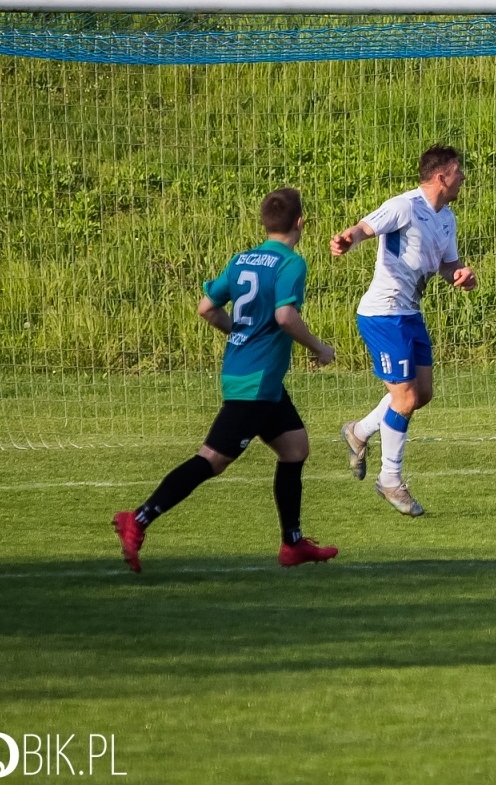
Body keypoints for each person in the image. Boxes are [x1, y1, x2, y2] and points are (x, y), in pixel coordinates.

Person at [112, 187, 338, 573]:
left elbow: (206, 307)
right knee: (211, 461)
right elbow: (285, 317)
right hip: (256, 382)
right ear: (301, 222)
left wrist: (240, 331)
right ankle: (138, 518)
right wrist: (319, 348)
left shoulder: (242, 259)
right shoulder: (291, 264)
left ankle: (293, 544)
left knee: (295, 448)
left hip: (252, 376)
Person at [331, 145, 477, 516]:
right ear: (442, 176)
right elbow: (366, 227)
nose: (463, 178)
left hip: (409, 314)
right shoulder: (405, 205)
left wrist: (459, 275)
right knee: (406, 399)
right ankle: (391, 480)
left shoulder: (448, 218)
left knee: (421, 394)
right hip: (382, 315)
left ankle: (360, 431)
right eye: (459, 172)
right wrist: (349, 239)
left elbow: (448, 264)